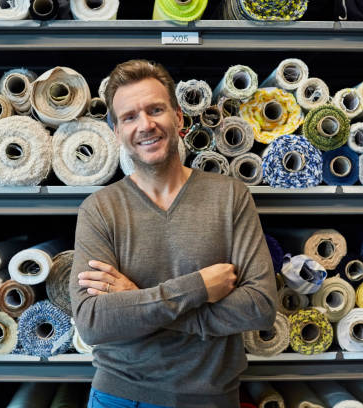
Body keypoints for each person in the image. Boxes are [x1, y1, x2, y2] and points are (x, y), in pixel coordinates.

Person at [70, 59, 277, 408]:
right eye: (129, 117)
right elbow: (93, 322)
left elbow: (260, 307)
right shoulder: (100, 209)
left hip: (211, 397)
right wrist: (197, 288)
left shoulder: (229, 196)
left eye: (155, 110)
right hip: (120, 396)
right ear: (117, 132)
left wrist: (137, 298)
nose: (145, 125)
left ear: (178, 118)